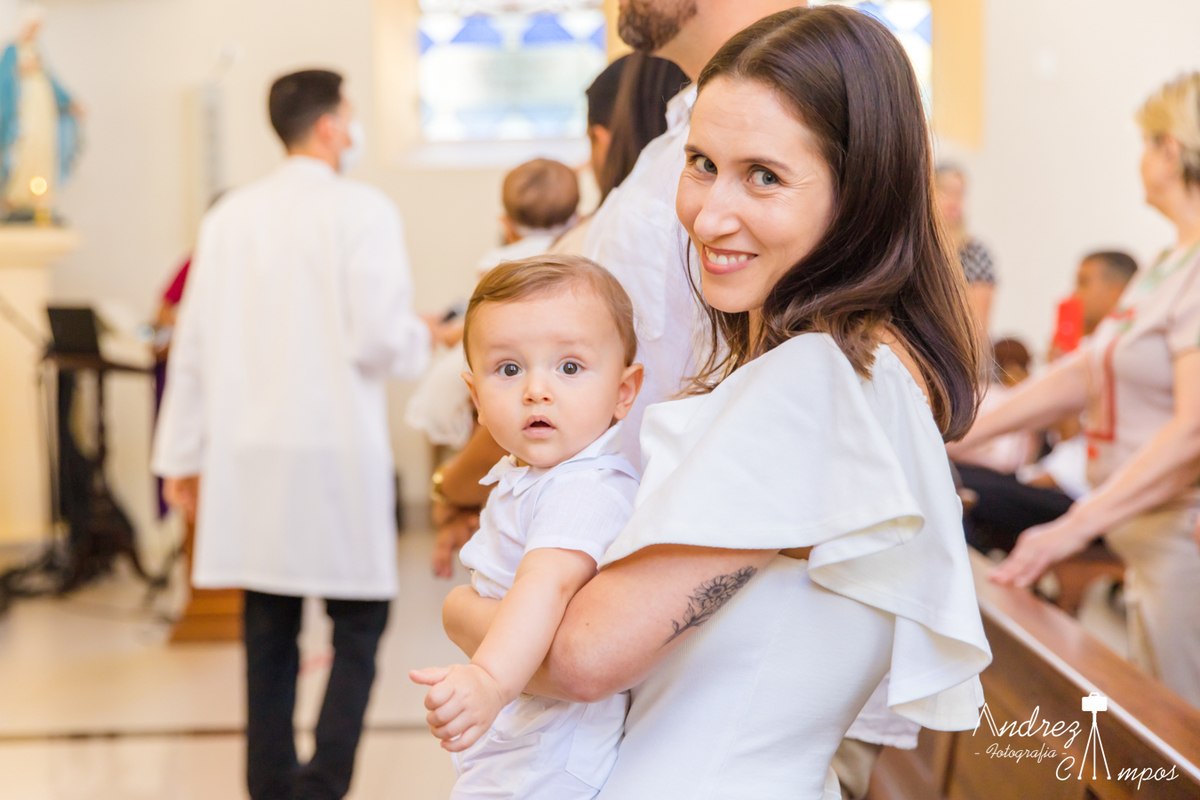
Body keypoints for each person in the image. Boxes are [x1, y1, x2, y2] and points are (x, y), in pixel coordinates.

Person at [439, 8, 992, 798]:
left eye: (763, 175)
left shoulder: (815, 381)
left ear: (859, 190)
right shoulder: (858, 366)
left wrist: (463, 608)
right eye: (702, 163)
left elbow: (584, 656)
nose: (709, 214)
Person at [152, 69, 431, 799]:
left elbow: (194, 348)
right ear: (332, 127)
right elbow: (378, 339)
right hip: (333, 447)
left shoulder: (229, 218)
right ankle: (326, 783)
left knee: (269, 629)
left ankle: (271, 784)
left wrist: (180, 458)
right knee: (360, 625)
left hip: (249, 453)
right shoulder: (362, 210)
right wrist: (421, 338)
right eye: (353, 111)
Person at [959, 72, 1200, 708]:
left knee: (1175, 741)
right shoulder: (1166, 264)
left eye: (1146, 143)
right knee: (1151, 724)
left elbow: (1192, 432)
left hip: (1183, 538)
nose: (1141, 159)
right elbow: (1085, 372)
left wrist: (1071, 528)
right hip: (1143, 533)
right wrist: (959, 426)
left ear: (1170, 150)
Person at [412, 256, 643, 799]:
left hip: (549, 751)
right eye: (509, 370)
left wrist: (489, 680)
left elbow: (547, 584)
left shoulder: (587, 488)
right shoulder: (539, 475)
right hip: (520, 732)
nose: (537, 390)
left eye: (569, 368)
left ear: (624, 392)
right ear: (476, 398)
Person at [935, 163, 997, 334]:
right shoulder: (917, 251)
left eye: (959, 194)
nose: (954, 201)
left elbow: (977, 328)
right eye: (945, 192)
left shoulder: (975, 253)